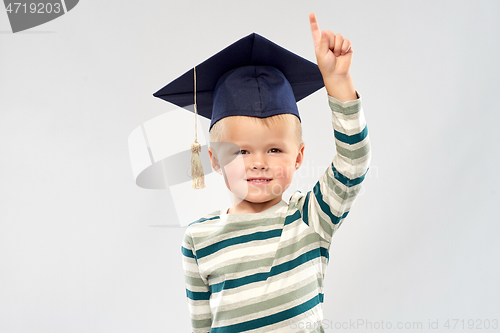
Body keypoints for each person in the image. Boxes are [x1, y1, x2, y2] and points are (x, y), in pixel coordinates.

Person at [155, 12, 370, 333]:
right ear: (214, 160)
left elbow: (352, 164)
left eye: (274, 149)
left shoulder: (311, 217)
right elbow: (201, 326)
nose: (258, 162)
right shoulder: (199, 240)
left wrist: (338, 82)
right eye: (241, 151)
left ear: (298, 156)